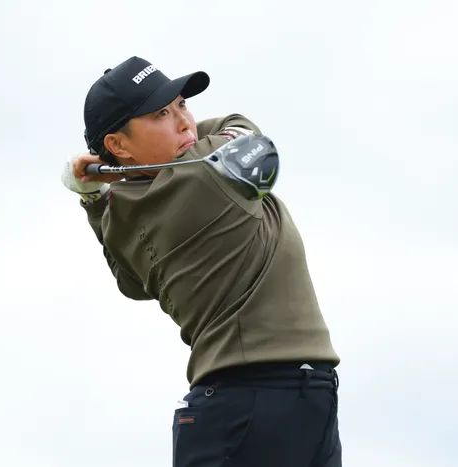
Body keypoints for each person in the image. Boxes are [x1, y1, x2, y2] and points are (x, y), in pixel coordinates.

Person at [61, 56, 343, 467]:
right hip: (255, 403)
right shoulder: (208, 173)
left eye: (182, 105)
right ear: (118, 145)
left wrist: (93, 193)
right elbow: (239, 125)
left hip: (278, 403)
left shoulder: (120, 215)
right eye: (160, 114)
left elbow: (130, 283)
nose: (185, 124)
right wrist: (109, 181)